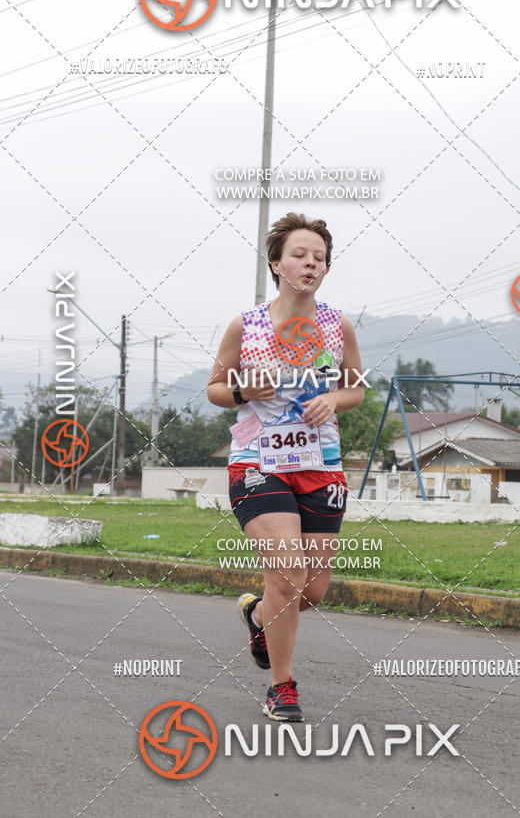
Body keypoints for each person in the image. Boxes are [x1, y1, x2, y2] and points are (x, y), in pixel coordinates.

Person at [207, 212, 365, 722]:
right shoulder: (245, 325)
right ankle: (282, 687)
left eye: (319, 257)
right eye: (300, 254)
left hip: (321, 464)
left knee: (310, 591)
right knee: (288, 575)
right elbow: (214, 390)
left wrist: (334, 402)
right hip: (258, 462)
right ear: (276, 262)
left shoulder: (337, 325)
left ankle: (258, 615)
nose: (310, 263)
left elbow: (356, 387)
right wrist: (241, 390)